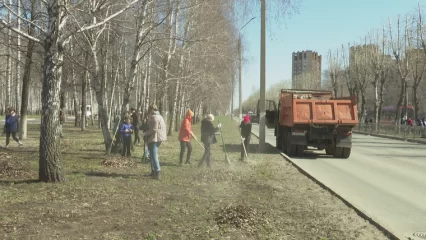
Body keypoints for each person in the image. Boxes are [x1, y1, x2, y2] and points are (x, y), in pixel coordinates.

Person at [143, 104, 167, 180]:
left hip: (154, 138)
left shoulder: (154, 117)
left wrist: (145, 133)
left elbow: (154, 130)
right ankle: (153, 171)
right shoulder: (160, 116)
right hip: (158, 138)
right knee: (152, 155)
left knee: (154, 156)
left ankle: (157, 171)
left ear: (151, 110)